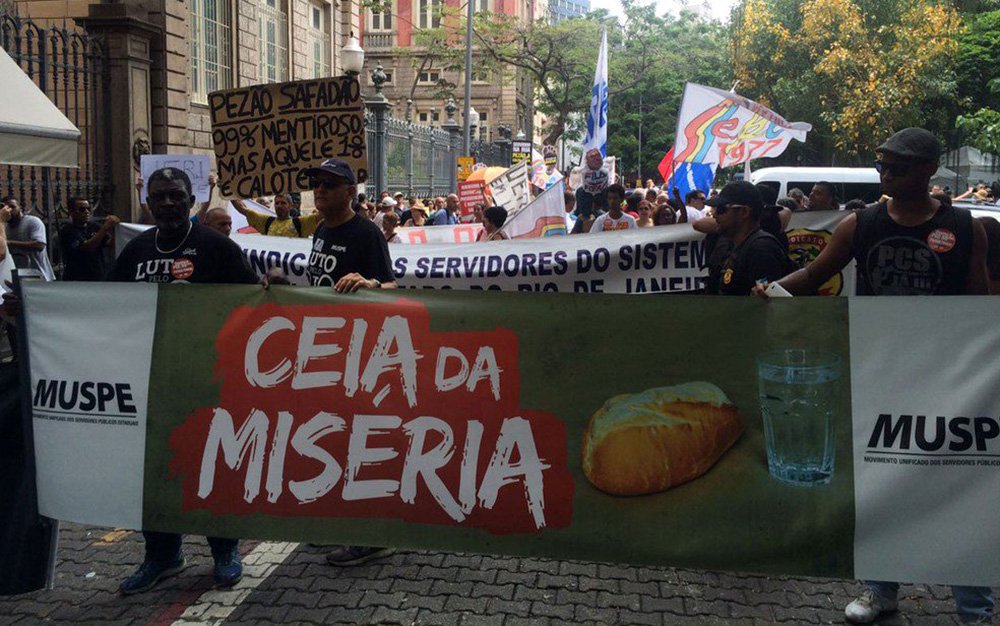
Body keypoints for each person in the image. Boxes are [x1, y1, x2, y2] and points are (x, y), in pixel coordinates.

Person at [754, 128, 992, 623]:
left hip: (949, 381)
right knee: (880, 480)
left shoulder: (967, 227)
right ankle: (881, 591)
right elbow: (812, 277)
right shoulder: (860, 225)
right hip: (879, 373)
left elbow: (979, 309)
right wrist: (769, 292)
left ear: (928, 170)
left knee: (963, 486)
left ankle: (974, 607)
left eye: (898, 166)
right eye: (883, 164)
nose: (886, 173)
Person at [109, 167, 257, 594]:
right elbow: (101, 303)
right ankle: (162, 554)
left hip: (207, 378)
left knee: (210, 464)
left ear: (191, 199)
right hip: (149, 382)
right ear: (149, 203)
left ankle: (224, 549)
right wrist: (34, 310)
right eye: (160, 197)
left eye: (176, 196)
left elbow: (251, 301)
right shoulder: (136, 250)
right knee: (155, 472)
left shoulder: (216, 246)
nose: (169, 204)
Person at [701, 181, 791, 295]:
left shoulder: (761, 250)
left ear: (744, 212)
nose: (714, 215)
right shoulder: (736, 245)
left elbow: (767, 302)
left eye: (721, 209)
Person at [58, 197, 119, 281]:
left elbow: (110, 244)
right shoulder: (68, 231)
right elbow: (87, 247)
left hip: (99, 276)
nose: (87, 212)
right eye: (82, 209)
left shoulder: (95, 227)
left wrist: (115, 230)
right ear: (71, 212)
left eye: (88, 209)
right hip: (78, 278)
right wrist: (105, 228)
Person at [3, 196, 54, 281]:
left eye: (13, 207)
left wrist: (9, 243)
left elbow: (40, 245)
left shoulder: (32, 221)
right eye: (6, 208)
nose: (9, 210)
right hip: (19, 276)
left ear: (20, 208)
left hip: (38, 276)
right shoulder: (6, 228)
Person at [232, 193, 320, 238]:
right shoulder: (266, 221)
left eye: (283, 203)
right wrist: (228, 192)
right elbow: (243, 209)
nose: (279, 206)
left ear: (290, 206)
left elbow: (323, 215)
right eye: (277, 203)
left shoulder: (301, 223)